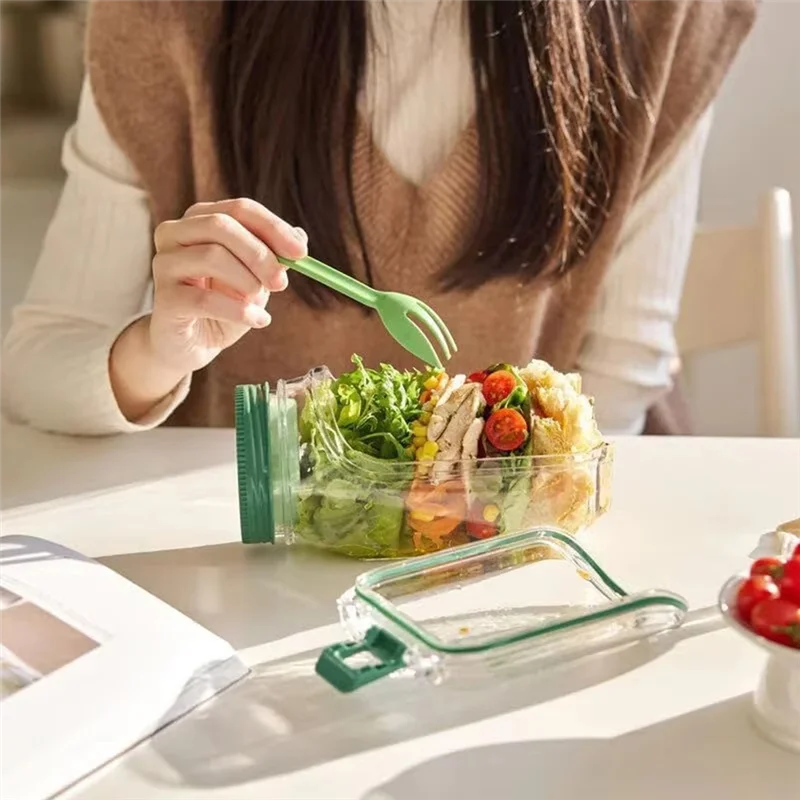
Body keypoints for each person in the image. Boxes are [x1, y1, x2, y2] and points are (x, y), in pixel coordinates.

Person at [0, 0, 757, 436]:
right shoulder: (167, 15)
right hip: (240, 555)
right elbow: (38, 366)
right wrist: (158, 352)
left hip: (530, 548)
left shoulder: (665, 17)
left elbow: (622, 372)